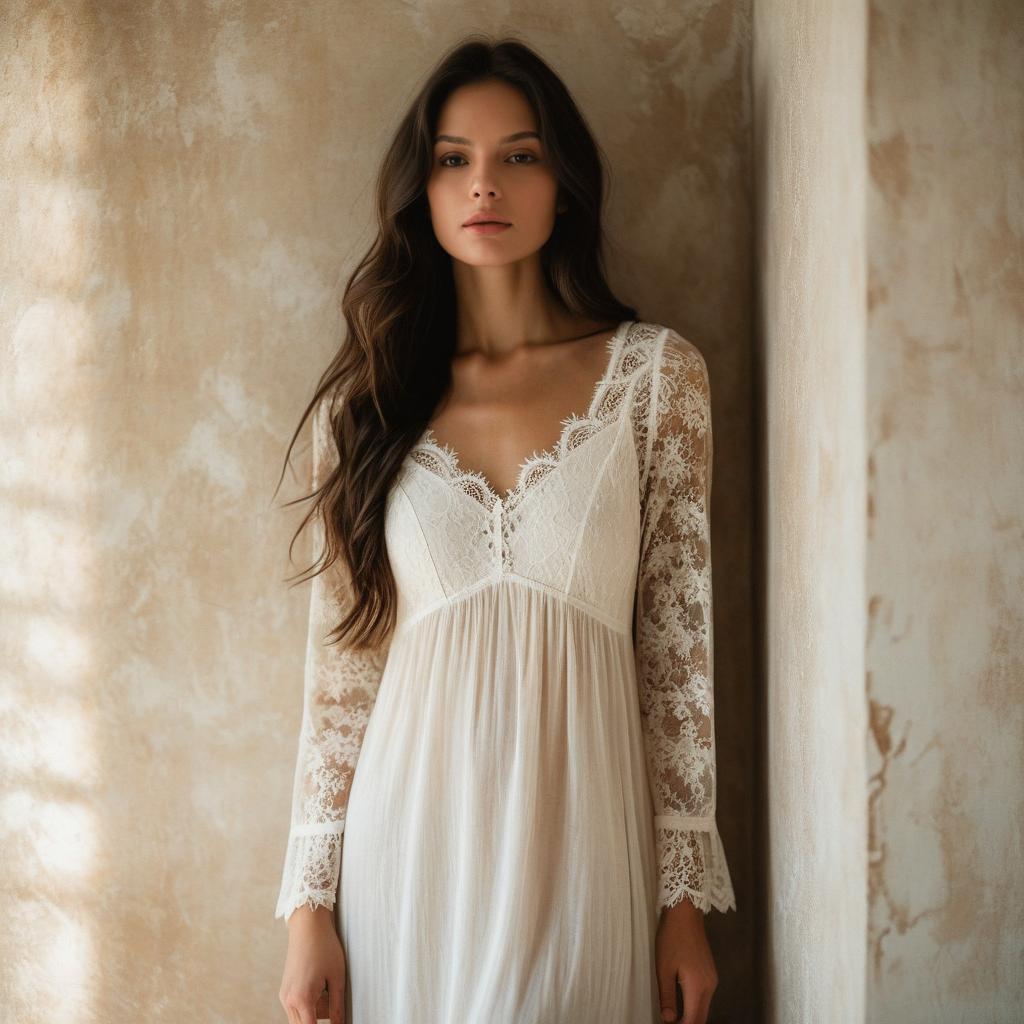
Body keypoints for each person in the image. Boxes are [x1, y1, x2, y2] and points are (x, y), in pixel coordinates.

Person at [273, 34, 736, 1024]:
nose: (485, 183)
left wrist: (682, 903)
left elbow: (676, 658)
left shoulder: (656, 380)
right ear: (424, 190)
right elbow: (341, 678)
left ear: (563, 183)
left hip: (584, 844)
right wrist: (309, 910)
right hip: (411, 849)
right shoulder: (366, 408)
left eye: (519, 155)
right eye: (454, 159)